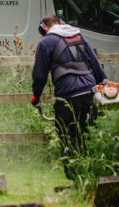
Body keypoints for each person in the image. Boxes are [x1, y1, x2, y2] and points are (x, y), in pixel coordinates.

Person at [31, 15, 108, 179]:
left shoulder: (46, 42)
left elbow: (39, 76)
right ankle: (93, 173)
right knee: (89, 134)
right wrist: (103, 86)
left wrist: (35, 97)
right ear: (61, 23)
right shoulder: (79, 36)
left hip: (67, 98)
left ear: (44, 28)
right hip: (90, 93)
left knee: (68, 137)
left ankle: (75, 178)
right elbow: (96, 65)